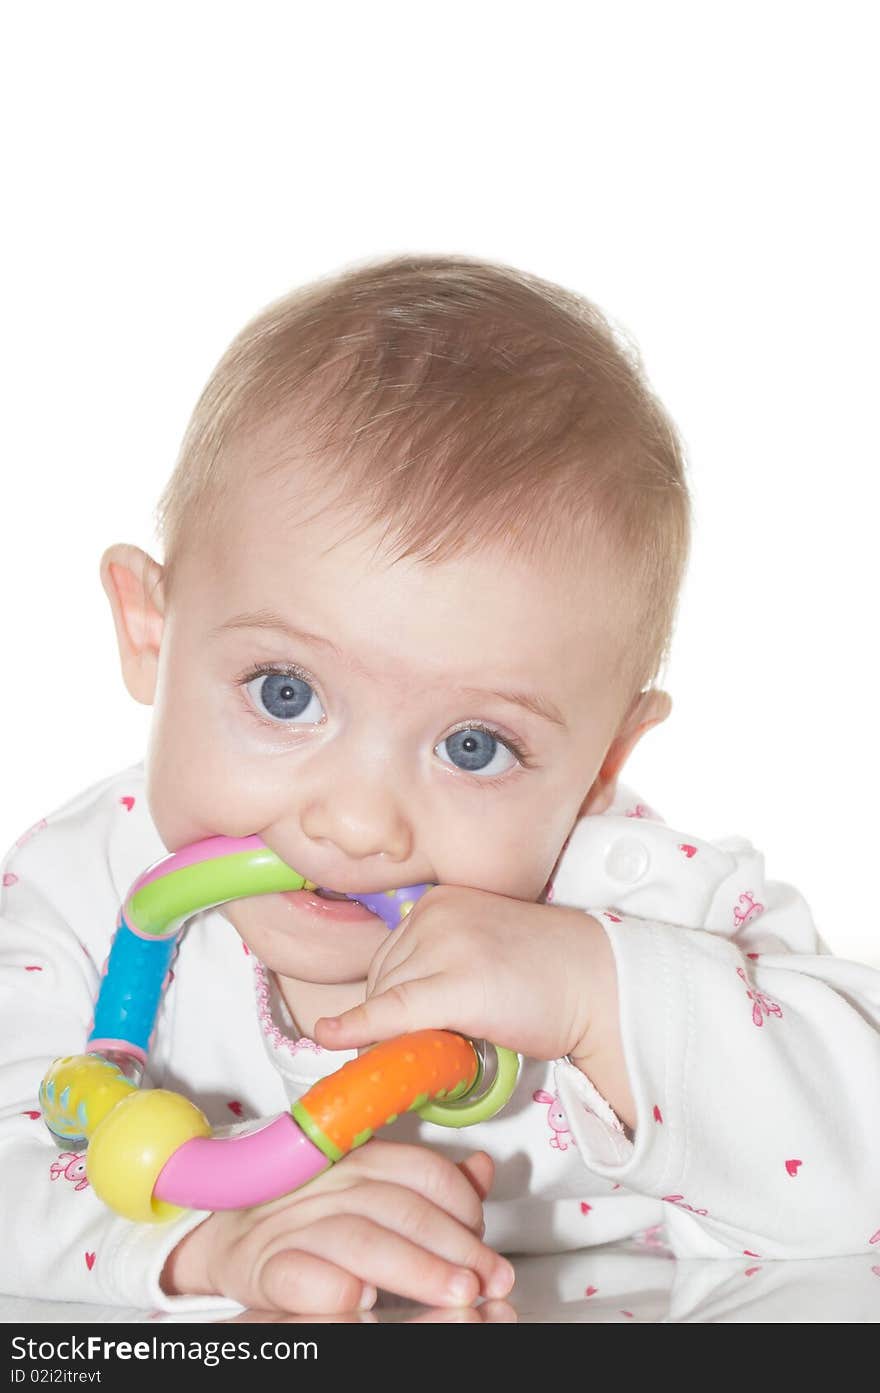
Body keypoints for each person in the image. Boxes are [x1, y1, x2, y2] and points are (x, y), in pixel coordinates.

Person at [2, 255, 878, 1317]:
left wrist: (598, 997)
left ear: (603, 759)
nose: (357, 820)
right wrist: (214, 1239)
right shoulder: (86, 892)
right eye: (285, 693)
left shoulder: (650, 911)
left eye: (472, 747)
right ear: (149, 631)